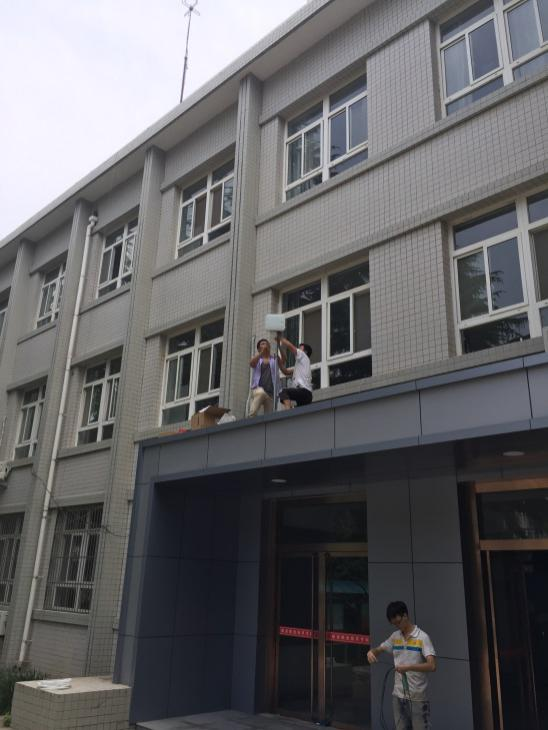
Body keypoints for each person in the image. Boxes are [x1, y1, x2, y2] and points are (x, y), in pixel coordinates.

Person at [367, 601, 436, 730]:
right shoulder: (395, 636)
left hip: (417, 696)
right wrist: (371, 652)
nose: (397, 626)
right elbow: (380, 649)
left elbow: (432, 665)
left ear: (405, 616)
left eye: (398, 622)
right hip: (398, 695)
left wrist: (408, 667)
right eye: (394, 624)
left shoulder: (422, 637)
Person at [248, 338, 284, 416]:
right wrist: (261, 353)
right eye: (263, 344)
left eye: (266, 344)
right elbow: (251, 363)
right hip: (258, 389)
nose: (265, 345)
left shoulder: (274, 359)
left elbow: (283, 361)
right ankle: (251, 417)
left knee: (269, 416)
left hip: (271, 393)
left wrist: (279, 345)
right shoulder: (258, 359)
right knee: (261, 393)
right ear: (259, 349)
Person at [277, 336, 313, 409]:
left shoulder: (304, 356)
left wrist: (281, 338)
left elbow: (290, 346)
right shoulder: (301, 365)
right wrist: (278, 358)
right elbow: (285, 371)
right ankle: (291, 409)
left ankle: (288, 411)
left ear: (305, 352)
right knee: (301, 412)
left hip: (304, 391)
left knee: (283, 392)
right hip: (306, 395)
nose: (298, 349)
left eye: (300, 348)